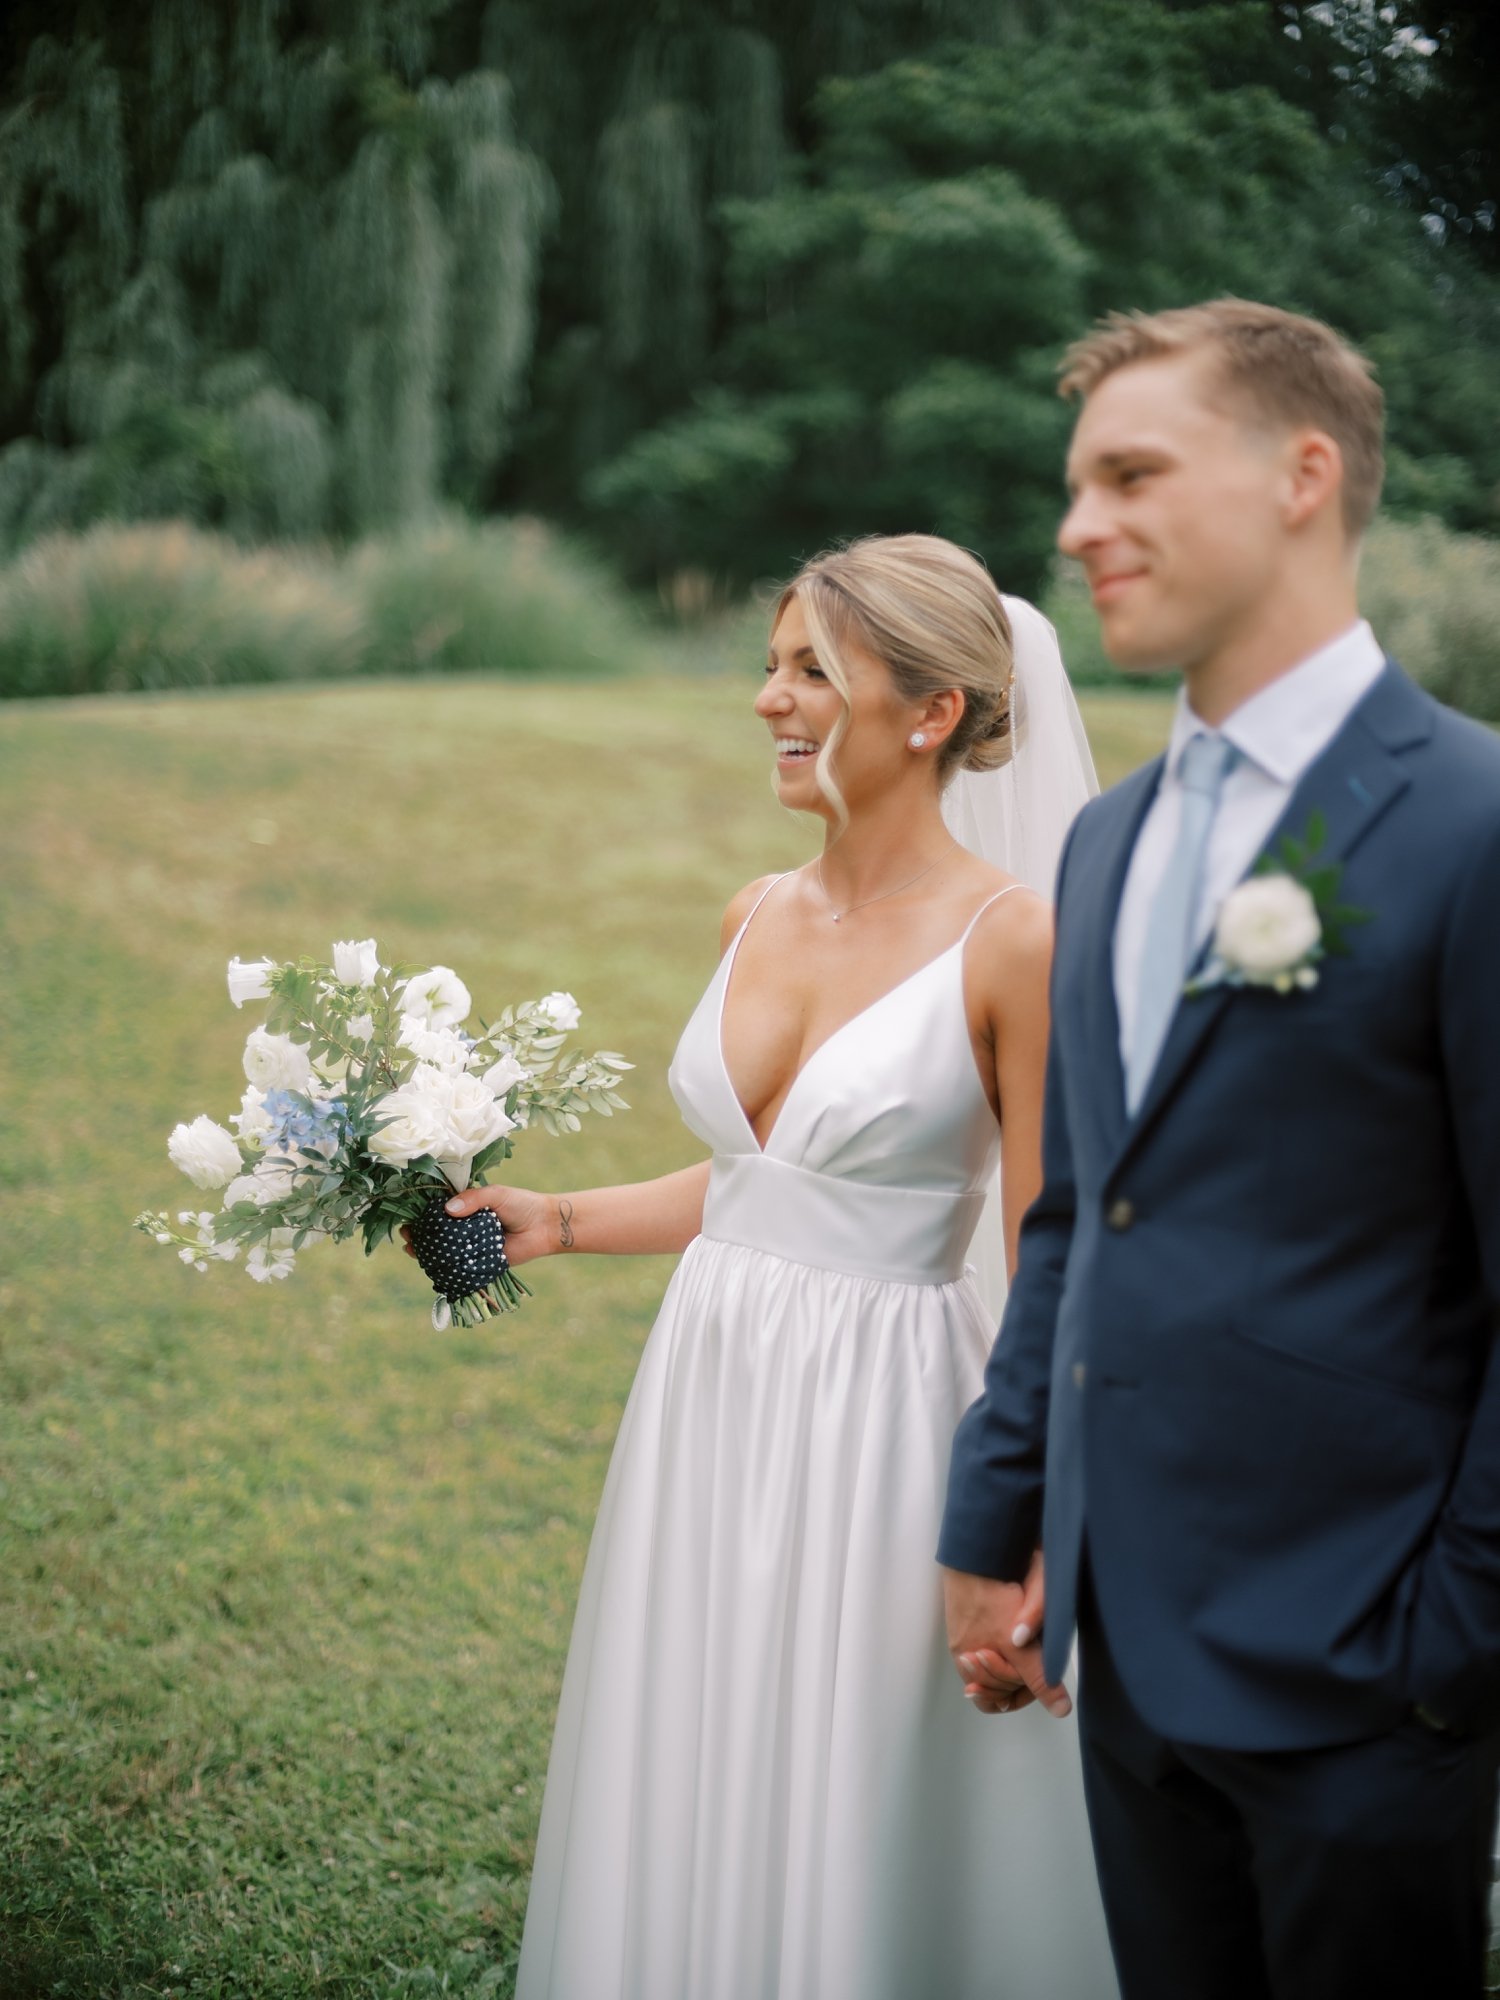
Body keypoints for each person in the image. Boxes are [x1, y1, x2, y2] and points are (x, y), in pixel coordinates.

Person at [433, 535, 1116, 1997]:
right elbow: (772, 1188)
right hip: (712, 1384)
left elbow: (1046, 1259)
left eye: (814, 670)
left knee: (852, 1758)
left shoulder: (1018, 942)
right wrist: (558, 1219)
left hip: (889, 1419)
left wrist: (1029, 1520)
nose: (769, 699)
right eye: (770, 663)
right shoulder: (757, 910)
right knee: (699, 1714)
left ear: (931, 713)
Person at [939, 299, 1500, 2000]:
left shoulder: (1475, 823)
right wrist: (998, 1505)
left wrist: (1444, 1653)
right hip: (1124, 1663)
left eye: (1131, 475)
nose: (1075, 527)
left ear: (1301, 476)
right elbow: (1075, 1217)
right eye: (1074, 483)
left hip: (1370, 1682)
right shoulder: (1103, 846)